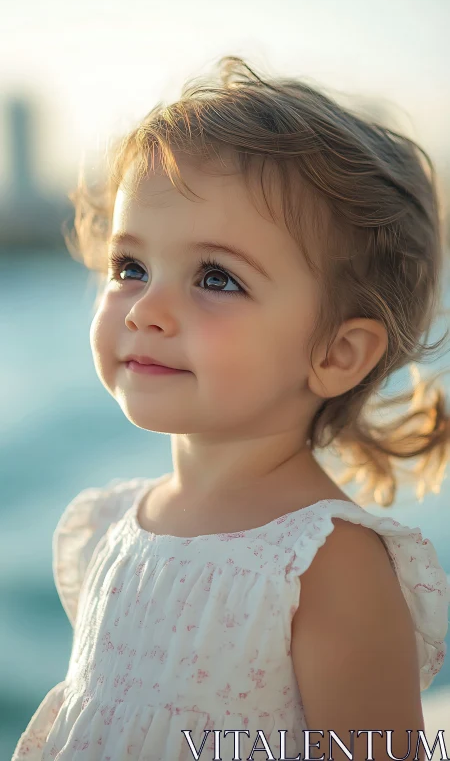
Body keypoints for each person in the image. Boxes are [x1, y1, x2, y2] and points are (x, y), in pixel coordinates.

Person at [12, 55, 450, 761]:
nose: (146, 308)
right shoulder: (110, 524)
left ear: (337, 353)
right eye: (131, 267)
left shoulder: (326, 567)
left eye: (217, 277)